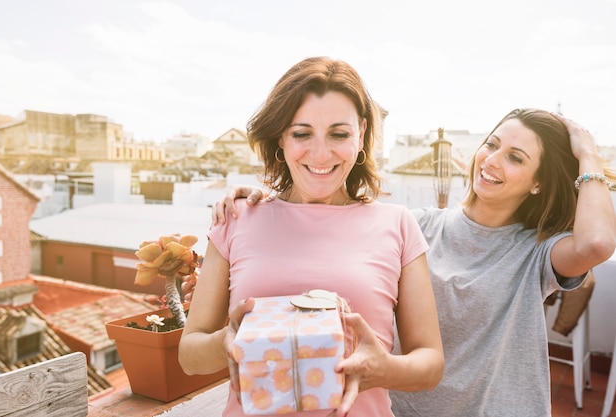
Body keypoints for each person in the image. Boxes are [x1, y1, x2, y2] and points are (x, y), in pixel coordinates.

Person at [211, 108, 616, 416]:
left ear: (538, 182)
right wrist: (270, 201)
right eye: (491, 145)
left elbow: (597, 243)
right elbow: (335, 214)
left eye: (515, 158)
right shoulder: (415, 225)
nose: (492, 160)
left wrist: (588, 154)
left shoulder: (539, 251)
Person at [178, 56, 445, 417]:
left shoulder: (398, 224)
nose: (321, 153)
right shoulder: (235, 219)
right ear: (281, 139)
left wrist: (383, 368)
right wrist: (227, 342)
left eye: (339, 134)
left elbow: (430, 363)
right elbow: (189, 356)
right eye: (302, 134)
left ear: (361, 133)